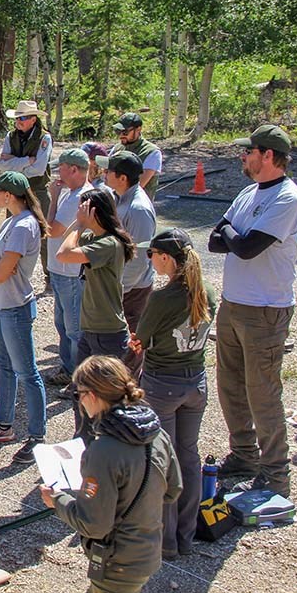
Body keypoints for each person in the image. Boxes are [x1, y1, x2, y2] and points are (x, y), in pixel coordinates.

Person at [208, 124, 297, 498]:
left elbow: (248, 247)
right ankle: (244, 454)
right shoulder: (250, 192)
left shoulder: (288, 198)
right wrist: (236, 235)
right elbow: (217, 239)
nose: (243, 158)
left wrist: (235, 235)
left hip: (266, 308)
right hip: (234, 303)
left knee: (263, 394)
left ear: (268, 155)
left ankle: (276, 474)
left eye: (249, 151)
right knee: (230, 387)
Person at [40, 355, 182, 593]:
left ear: (92, 396)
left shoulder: (103, 451)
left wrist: (57, 500)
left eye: (79, 395)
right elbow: (173, 489)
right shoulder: (157, 434)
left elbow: (93, 524)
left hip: (117, 561)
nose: (80, 403)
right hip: (147, 550)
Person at [129, 229, 217, 559]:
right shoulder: (206, 290)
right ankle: (186, 534)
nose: (149, 260)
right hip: (195, 380)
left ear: (165, 258)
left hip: (162, 384)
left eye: (151, 254)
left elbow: (142, 337)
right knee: (189, 456)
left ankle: (164, 541)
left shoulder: (163, 297)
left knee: (163, 461)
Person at [0, 172, 47, 464]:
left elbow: (0, 270)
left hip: (14, 307)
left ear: (9, 196)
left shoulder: (23, 226)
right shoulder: (11, 222)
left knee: (27, 372)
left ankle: (37, 436)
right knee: (3, 365)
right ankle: (3, 425)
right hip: (1, 304)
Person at [57, 189, 135, 442]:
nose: (79, 213)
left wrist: (79, 224)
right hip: (91, 330)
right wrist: (80, 224)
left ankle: (106, 446)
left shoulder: (108, 244)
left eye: (83, 208)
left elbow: (64, 255)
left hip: (107, 332)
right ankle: (84, 442)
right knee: (81, 392)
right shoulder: (94, 237)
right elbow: (64, 241)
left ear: (95, 211)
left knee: (106, 397)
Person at [102, 151, 156, 378]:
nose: (104, 173)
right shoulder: (121, 199)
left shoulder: (138, 209)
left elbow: (140, 258)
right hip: (122, 287)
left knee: (130, 348)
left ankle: (129, 395)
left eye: (109, 171)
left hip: (131, 290)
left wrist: (119, 289)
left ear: (122, 178)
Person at [45, 149, 95, 388]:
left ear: (73, 169)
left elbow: (53, 229)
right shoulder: (72, 193)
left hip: (70, 272)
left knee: (74, 328)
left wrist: (53, 198)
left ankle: (78, 378)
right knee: (63, 323)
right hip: (60, 269)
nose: (57, 172)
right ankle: (68, 370)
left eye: (61, 167)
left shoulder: (78, 197)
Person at [0, 100, 53, 290]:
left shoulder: (45, 138)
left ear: (33, 119)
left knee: (45, 236)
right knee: (11, 233)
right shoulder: (10, 136)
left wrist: (14, 162)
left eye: (22, 118)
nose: (18, 122)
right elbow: (1, 164)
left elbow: (38, 169)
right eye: (17, 118)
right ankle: (9, 271)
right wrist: (25, 161)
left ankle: (50, 278)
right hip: (15, 193)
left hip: (37, 190)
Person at [110, 113, 163, 205]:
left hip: (137, 209)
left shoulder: (152, 152)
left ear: (138, 129)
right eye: (118, 131)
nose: (121, 135)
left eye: (125, 132)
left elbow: (137, 186)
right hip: (116, 206)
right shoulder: (117, 148)